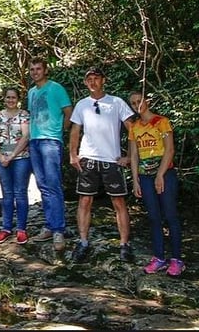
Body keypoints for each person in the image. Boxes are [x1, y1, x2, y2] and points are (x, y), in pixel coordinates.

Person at [68, 66, 137, 263]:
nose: (92, 82)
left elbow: (131, 128)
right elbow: (75, 130)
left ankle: (124, 245)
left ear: (103, 80)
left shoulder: (116, 102)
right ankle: (83, 242)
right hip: (88, 159)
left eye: (96, 78)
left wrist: (130, 155)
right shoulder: (82, 104)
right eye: (89, 78)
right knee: (84, 201)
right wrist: (73, 155)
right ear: (85, 82)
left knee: (119, 202)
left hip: (111, 160)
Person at [128, 91, 184, 276]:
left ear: (147, 101)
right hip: (144, 176)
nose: (137, 105)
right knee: (153, 217)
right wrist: (135, 179)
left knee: (170, 215)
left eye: (140, 101)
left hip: (165, 173)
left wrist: (160, 174)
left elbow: (170, 149)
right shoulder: (134, 127)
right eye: (134, 103)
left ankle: (177, 259)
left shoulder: (162, 122)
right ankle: (159, 257)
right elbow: (134, 155)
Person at [26, 57, 73, 251]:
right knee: (42, 185)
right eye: (32, 69)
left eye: (38, 69)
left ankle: (58, 230)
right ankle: (49, 224)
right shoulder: (31, 92)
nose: (35, 72)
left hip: (51, 141)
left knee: (53, 184)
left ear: (45, 70)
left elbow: (69, 111)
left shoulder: (56, 88)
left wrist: (59, 132)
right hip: (35, 141)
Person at [0, 87, 32, 245]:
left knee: (20, 192)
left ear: (18, 99)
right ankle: (6, 228)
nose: (10, 100)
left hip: (21, 158)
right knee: (7, 194)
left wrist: (12, 155)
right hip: (1, 158)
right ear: (4, 99)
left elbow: (26, 136)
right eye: (8, 97)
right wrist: (0, 155)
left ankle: (21, 229)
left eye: (13, 97)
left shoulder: (24, 115)